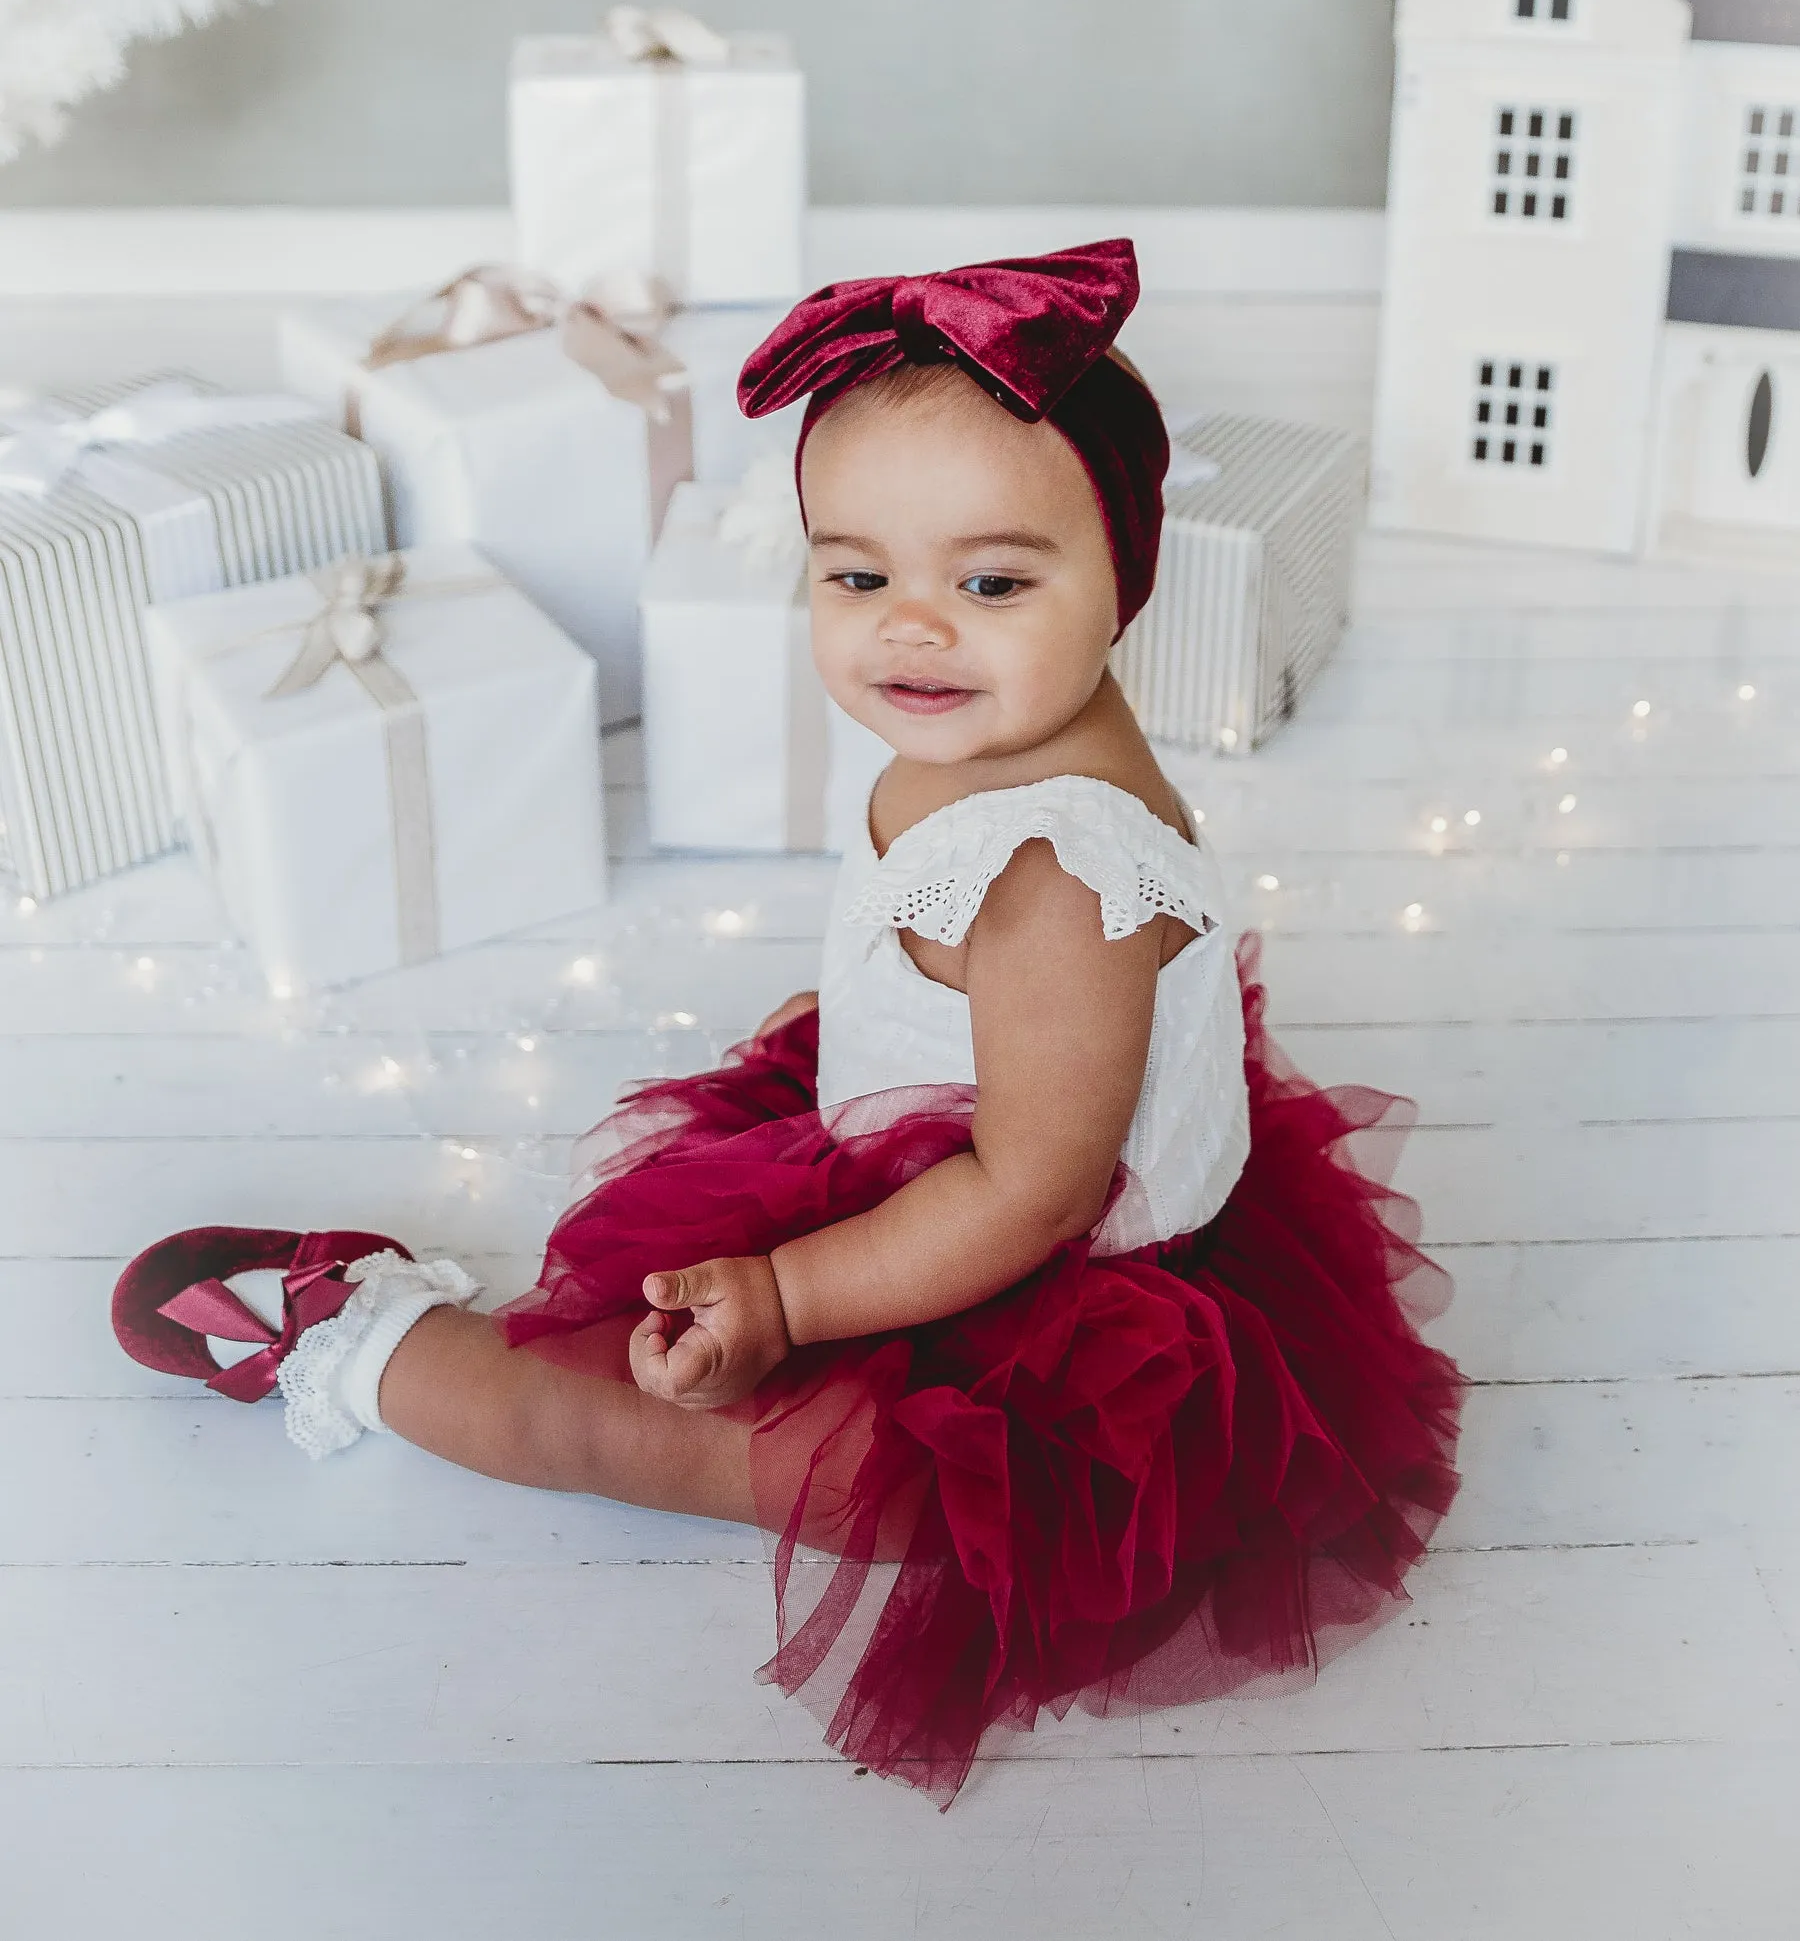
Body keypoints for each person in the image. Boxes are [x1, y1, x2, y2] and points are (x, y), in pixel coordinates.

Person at [113, 240, 1464, 1805]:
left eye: (993, 581)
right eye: (857, 573)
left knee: (661, 1434)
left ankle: (370, 1349)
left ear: (1124, 581)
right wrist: (891, 1011)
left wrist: (785, 1293)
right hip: (985, 1147)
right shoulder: (1011, 740)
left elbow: (1031, 1189)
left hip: (1046, 1315)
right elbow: (1002, 1010)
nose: (912, 629)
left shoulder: (1050, 893)